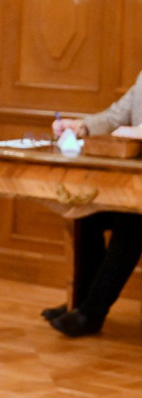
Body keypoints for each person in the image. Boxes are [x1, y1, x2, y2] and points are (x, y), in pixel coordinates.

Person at [45, 71, 142, 337]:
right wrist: (81, 127)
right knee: (88, 214)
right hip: (135, 184)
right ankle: (80, 304)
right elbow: (114, 117)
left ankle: (92, 313)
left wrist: (139, 131)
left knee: (131, 226)